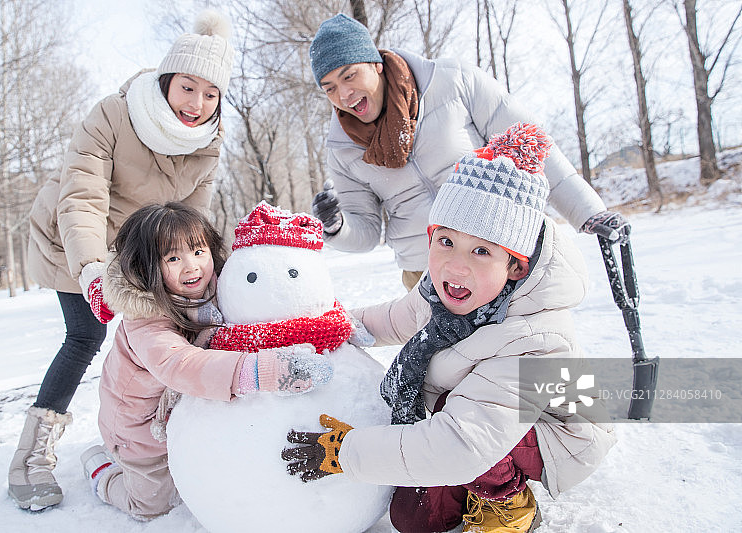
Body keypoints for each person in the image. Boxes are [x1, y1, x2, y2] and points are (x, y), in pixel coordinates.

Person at [282, 124, 617, 533]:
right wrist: (324, 327)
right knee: (414, 519)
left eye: (481, 250)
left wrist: (346, 452)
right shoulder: (443, 294)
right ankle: (476, 482)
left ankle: (509, 506)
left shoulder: (533, 339)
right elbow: (393, 319)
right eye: (446, 242)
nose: (457, 266)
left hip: (556, 434)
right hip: (478, 416)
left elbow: (460, 443)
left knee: (459, 431)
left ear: (515, 266)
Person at [8, 10, 236, 511]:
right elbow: (82, 199)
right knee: (86, 335)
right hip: (72, 240)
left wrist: (201, 266)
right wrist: (92, 269)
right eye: (187, 87)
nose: (197, 104)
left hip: (140, 252)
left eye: (210, 94)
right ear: (166, 82)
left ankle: (155, 425)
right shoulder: (113, 114)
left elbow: (191, 214)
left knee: (171, 327)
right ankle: (32, 454)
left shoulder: (207, 142)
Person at [308, 13, 630, 291]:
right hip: (428, 275)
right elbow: (364, 230)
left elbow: (531, 143)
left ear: (375, 64)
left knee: (531, 354)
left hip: (501, 252)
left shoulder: (453, 81)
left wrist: (588, 212)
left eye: (349, 75)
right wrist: (337, 225)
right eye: (330, 88)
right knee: (455, 365)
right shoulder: (342, 149)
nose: (344, 94)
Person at [79, 202, 331, 520]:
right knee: (153, 504)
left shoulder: (216, 286)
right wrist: (263, 371)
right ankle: (101, 470)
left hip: (182, 408)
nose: (191, 267)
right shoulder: (143, 319)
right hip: (139, 426)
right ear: (144, 268)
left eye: (198, 251)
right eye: (173, 258)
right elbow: (181, 365)